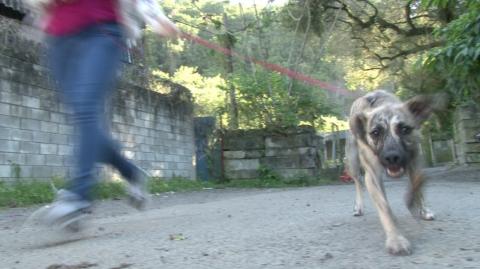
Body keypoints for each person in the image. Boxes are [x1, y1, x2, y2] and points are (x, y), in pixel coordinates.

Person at [25, 0, 179, 228]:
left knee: (86, 108)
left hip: (102, 31)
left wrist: (156, 17)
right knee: (83, 118)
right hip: (60, 39)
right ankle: (131, 172)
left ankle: (79, 197)